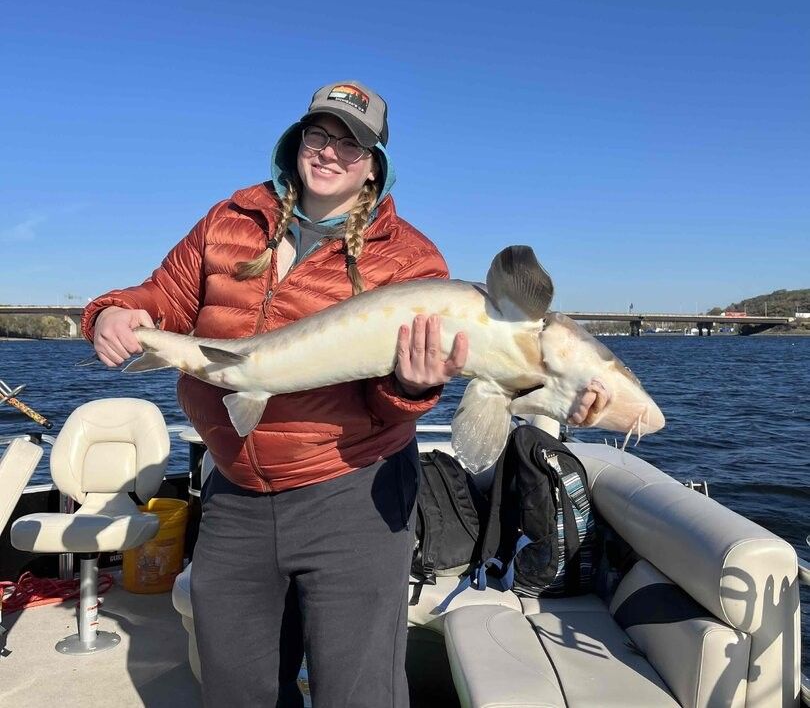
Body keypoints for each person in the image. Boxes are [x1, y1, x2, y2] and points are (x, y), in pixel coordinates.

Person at [83, 79, 608, 707]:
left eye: (351, 145)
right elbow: (161, 297)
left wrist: (411, 387)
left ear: (373, 167)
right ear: (296, 142)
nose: (330, 153)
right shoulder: (230, 220)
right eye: (320, 135)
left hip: (351, 494)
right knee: (235, 689)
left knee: (357, 693)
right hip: (235, 492)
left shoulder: (409, 261)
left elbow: (399, 403)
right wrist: (113, 312)